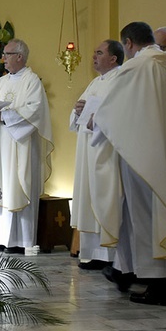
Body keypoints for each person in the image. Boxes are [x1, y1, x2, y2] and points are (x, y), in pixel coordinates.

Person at [91, 22, 166, 306]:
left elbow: (111, 112)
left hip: (142, 157)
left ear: (129, 44)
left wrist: (94, 121)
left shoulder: (136, 69)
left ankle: (157, 285)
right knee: (163, 216)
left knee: (145, 219)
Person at [0, 38, 53, 254]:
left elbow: (35, 111)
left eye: (7, 54)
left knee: (16, 185)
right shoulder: (0, 83)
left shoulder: (32, 82)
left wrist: (5, 116)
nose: (3, 59)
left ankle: (20, 240)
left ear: (19, 57)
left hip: (19, 144)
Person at [69, 40, 123, 270]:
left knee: (106, 197)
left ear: (113, 58)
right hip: (88, 149)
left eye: (99, 53)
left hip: (106, 151)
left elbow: (118, 114)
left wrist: (95, 118)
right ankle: (93, 253)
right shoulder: (95, 82)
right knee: (89, 197)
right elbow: (79, 112)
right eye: (94, 52)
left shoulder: (120, 80)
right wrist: (77, 110)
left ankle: (111, 256)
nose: (94, 56)